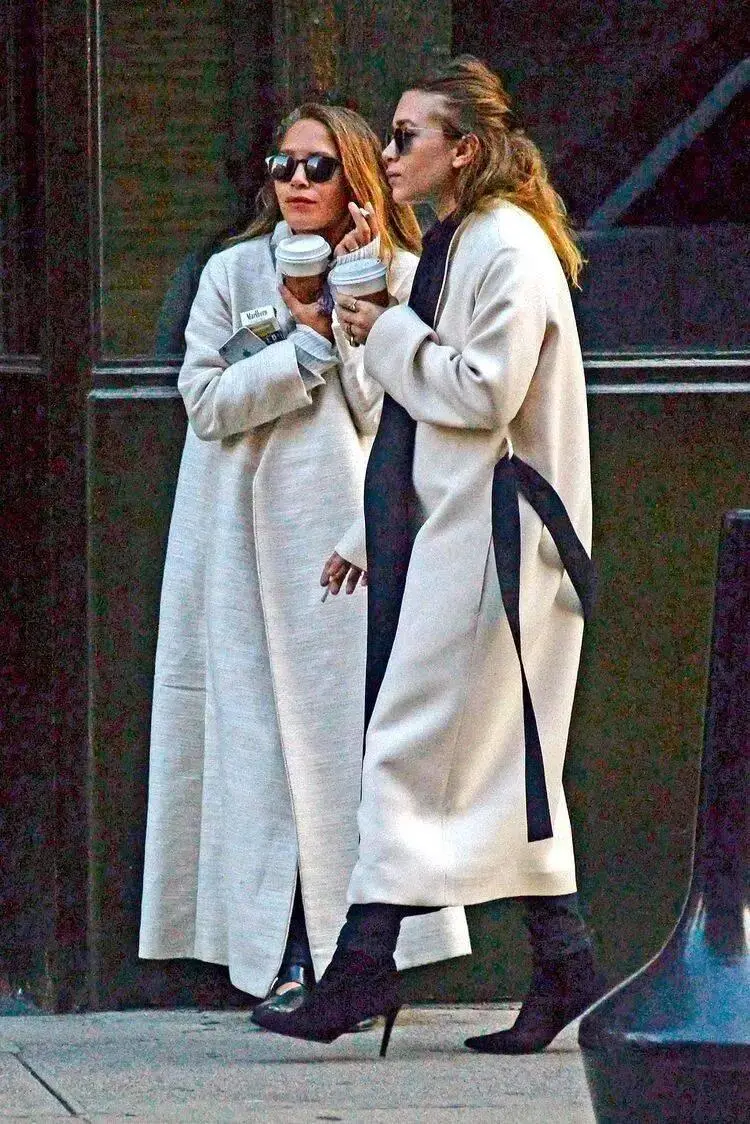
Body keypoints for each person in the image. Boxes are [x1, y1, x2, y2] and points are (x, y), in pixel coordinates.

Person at [252, 57, 606, 1056]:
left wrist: (389, 330)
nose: (389, 149)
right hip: (477, 530)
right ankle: (564, 956)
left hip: (499, 538)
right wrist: (373, 530)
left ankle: (363, 965)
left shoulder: (506, 245)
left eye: (407, 136)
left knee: (410, 744)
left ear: (465, 149)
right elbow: (439, 401)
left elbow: (482, 393)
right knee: (501, 762)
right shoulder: (470, 239)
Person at [139, 104, 471, 1014]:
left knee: (347, 749)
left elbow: (395, 412)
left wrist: (355, 318)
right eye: (283, 163)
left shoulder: (401, 274)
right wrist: (306, 341)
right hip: (237, 542)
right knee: (252, 751)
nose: (296, 181)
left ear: (354, 176)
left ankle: (355, 959)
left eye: (318, 166)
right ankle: (280, 951)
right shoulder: (232, 272)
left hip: (344, 548)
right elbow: (206, 400)